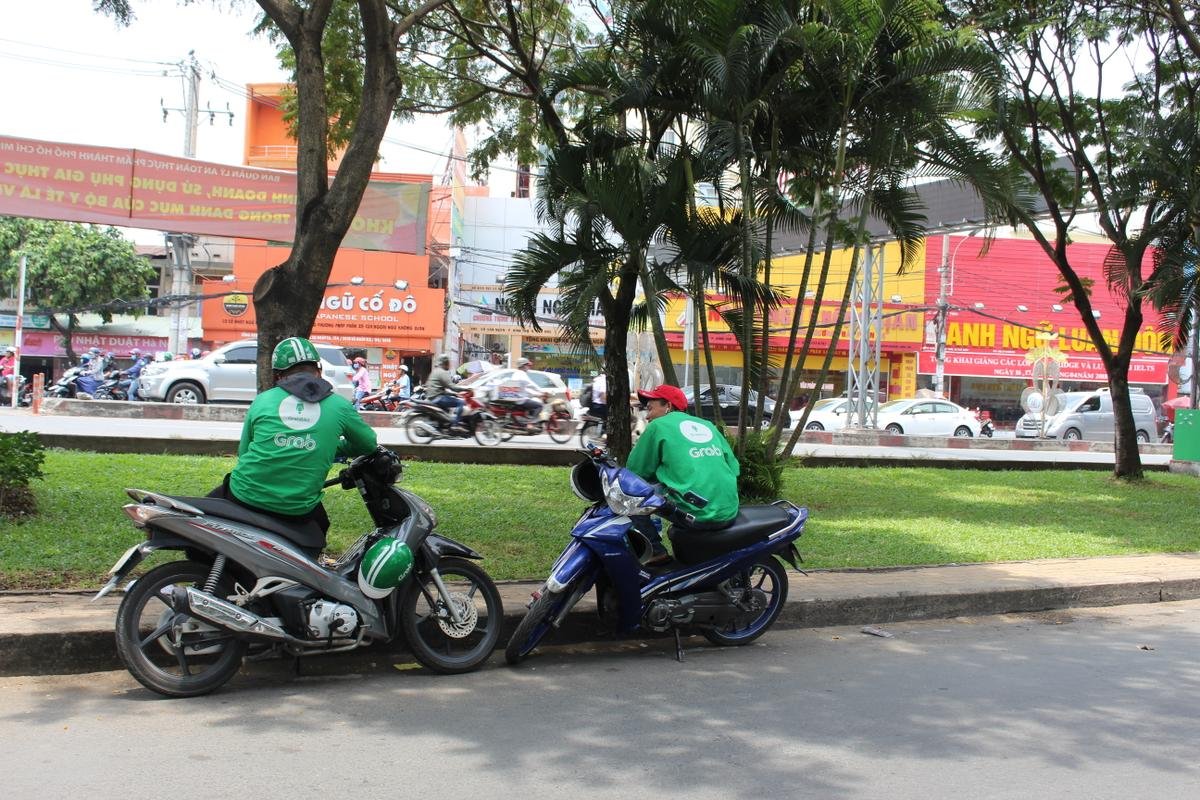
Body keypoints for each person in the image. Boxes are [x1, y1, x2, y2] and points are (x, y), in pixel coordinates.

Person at [208, 336, 377, 559]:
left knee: (205, 514)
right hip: (297, 509)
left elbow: (244, 453)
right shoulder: (338, 405)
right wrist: (327, 447)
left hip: (244, 495)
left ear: (279, 375)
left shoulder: (263, 400)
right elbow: (368, 443)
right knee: (320, 524)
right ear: (319, 369)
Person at [625, 384, 741, 566]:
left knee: (630, 496)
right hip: (727, 509)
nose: (647, 416)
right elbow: (734, 468)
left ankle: (655, 551)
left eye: (650, 408)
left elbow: (636, 472)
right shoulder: (707, 425)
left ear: (668, 407)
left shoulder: (658, 426)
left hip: (698, 513)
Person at [425, 353, 465, 424]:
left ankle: (444, 425)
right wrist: (466, 389)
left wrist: (454, 394)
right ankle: (455, 424)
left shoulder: (435, 371)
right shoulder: (442, 372)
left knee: (448, 408)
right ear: (445, 363)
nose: (449, 365)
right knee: (460, 402)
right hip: (437, 398)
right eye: (448, 363)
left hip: (432, 397)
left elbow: (440, 389)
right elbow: (452, 387)